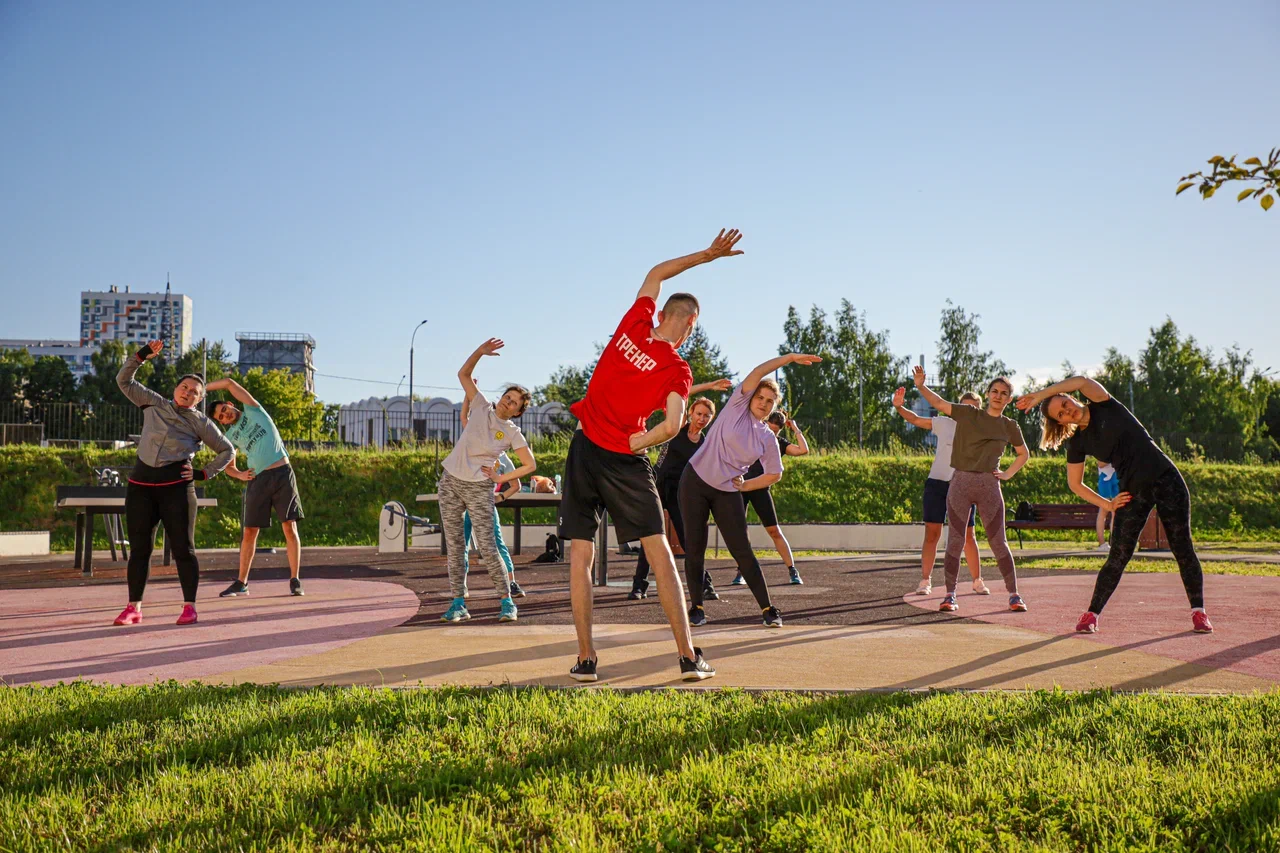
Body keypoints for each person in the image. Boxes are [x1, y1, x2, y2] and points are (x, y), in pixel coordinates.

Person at [560, 229, 744, 683]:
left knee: (580, 555)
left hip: (583, 448)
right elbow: (674, 424)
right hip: (621, 459)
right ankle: (687, 657)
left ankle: (586, 660)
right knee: (659, 552)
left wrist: (705, 255)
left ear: (663, 313)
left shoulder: (635, 323)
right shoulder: (677, 369)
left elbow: (657, 272)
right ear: (691, 323)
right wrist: (634, 444)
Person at [1016, 376, 1213, 634]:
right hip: (1132, 493)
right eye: (1061, 414)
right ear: (1061, 422)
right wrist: (1107, 504)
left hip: (1166, 478)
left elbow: (1081, 380)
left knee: (1182, 547)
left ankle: (1199, 613)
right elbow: (1075, 484)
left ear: (1071, 396)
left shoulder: (1103, 403)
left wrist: (1041, 395)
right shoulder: (1078, 443)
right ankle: (1091, 615)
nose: (1067, 411)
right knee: (1118, 555)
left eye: (1065, 403)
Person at [681, 353, 822, 628]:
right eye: (760, 398)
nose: (764, 404)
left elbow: (775, 474)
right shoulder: (736, 406)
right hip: (695, 482)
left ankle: (768, 609)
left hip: (727, 490)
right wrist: (790, 358)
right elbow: (759, 370)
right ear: (751, 396)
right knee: (695, 548)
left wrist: (746, 485)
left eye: (770, 402)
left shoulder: (768, 438)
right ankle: (696, 607)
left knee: (742, 550)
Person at [112, 340, 235, 626]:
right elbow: (123, 379)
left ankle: (189, 606)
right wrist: (142, 356)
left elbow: (227, 450)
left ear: (199, 399)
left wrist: (205, 473)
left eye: (194, 392)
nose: (188, 393)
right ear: (175, 389)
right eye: (184, 387)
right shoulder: (152, 402)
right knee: (140, 549)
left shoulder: (201, 423)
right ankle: (134, 608)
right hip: (141, 486)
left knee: (183, 548)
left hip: (176, 489)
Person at [912, 366, 1030, 613]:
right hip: (961, 483)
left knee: (999, 542)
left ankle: (1014, 595)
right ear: (987, 394)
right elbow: (940, 403)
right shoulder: (968, 414)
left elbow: (1023, 454)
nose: (998, 396)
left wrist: (1007, 473)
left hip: (989, 486)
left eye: (1004, 393)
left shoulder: (1010, 426)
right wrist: (921, 386)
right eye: (995, 391)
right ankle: (950, 595)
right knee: (955, 540)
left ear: (1008, 398)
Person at [437, 338, 537, 624]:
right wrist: (480, 352)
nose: (509, 401)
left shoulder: (512, 432)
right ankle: (458, 603)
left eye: (515, 402)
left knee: (488, 547)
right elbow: (463, 375)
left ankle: (507, 602)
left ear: (518, 411)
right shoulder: (480, 405)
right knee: (456, 546)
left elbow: (530, 465)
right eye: (508, 396)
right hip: (450, 482)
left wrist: (501, 478)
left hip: (480, 488)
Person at [627, 382, 733, 602]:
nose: (702, 419)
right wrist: (711, 385)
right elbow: (682, 394)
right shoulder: (679, 426)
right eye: (699, 413)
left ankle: (706, 584)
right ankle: (639, 587)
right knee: (651, 536)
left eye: (707, 416)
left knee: (688, 540)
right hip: (656, 486)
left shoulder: (704, 443)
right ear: (691, 413)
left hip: (679, 491)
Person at [206, 378, 306, 598]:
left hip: (282, 474)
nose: (226, 415)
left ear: (231, 404)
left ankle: (295, 580)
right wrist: (241, 475)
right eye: (221, 417)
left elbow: (230, 383)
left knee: (289, 527)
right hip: (258, 480)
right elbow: (228, 467)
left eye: (225, 410)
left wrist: (201, 388)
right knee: (250, 531)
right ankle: (242, 583)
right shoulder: (229, 437)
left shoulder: (253, 410)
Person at [891, 386, 989, 596]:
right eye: (964, 407)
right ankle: (925, 581)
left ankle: (977, 581)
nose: (968, 411)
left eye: (973, 409)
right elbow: (916, 419)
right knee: (932, 534)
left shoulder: (982, 433)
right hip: (937, 485)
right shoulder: (944, 423)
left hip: (963, 487)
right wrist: (899, 407)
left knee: (968, 536)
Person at [733, 409, 810, 587]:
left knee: (774, 531)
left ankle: (792, 570)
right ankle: (741, 571)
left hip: (760, 488)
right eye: (769, 428)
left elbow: (803, 450)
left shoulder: (779, 443)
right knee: (740, 532)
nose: (771, 432)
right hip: (741, 487)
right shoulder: (751, 435)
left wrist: (796, 429)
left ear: (780, 431)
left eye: (775, 431)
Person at [461, 451, 523, 597]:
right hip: (464, 504)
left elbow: (516, 485)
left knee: (496, 542)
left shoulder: (502, 457)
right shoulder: (468, 450)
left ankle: (511, 583)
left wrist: (500, 497)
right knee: (461, 544)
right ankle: (461, 585)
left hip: (485, 504)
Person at [1095, 461, 1118, 551]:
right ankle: (1102, 544)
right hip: (1105, 478)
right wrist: (1114, 458)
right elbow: (1100, 464)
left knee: (1116, 512)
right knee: (1103, 511)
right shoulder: (1100, 448)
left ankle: (1114, 542)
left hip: (1115, 477)